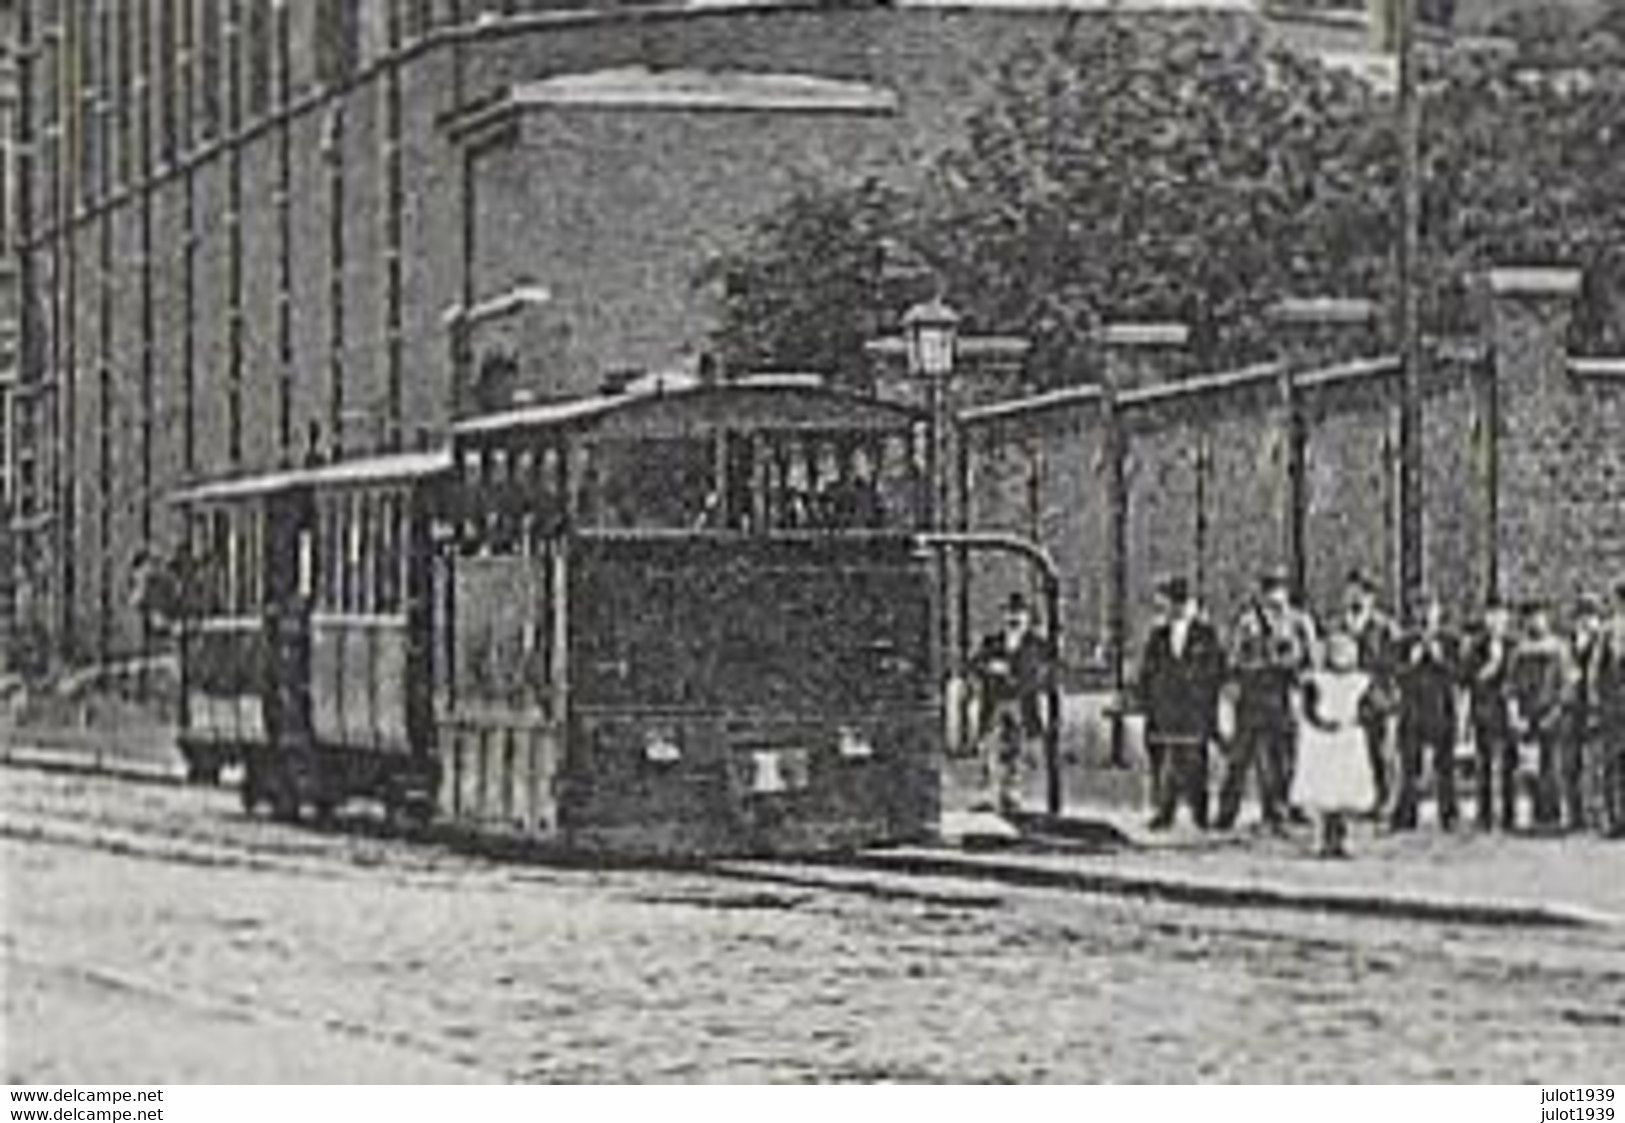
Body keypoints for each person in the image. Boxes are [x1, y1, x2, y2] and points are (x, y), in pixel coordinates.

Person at [1217, 568, 1317, 832]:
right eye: (1269, 594)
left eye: (1279, 593)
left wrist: (1296, 671)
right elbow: (1235, 659)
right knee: (1241, 757)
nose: (1274, 601)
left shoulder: (1299, 622)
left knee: (1284, 757)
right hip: (1253, 696)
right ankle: (1226, 813)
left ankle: (1281, 810)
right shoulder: (1247, 623)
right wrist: (1256, 664)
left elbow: (1311, 660)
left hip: (1284, 696)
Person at [1137, 577, 1226, 830]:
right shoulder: (1158, 635)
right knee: (1165, 759)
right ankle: (1165, 811)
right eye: (1174, 602)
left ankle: (1200, 813)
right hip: (1166, 707)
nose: (1178, 608)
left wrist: (1205, 697)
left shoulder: (1206, 635)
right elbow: (1148, 670)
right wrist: (1148, 698)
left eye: (1183, 603)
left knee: (1195, 760)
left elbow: (1216, 669)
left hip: (1194, 708)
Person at [1291, 632, 1376, 858]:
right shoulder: (1317, 681)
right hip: (1323, 742)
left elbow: (1371, 707)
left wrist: (1357, 719)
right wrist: (1322, 722)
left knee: (1345, 792)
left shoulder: (1359, 681)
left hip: (1347, 739)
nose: (1341, 658)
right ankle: (1322, 837)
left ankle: (1343, 837)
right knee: (1324, 791)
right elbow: (1307, 710)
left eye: (1346, 653)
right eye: (1337, 653)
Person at [970, 592, 1055, 816]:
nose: (1013, 618)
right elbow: (976, 664)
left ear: (1028, 617)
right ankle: (988, 793)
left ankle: (1013, 794)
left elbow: (1039, 672)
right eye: (1009, 613)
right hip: (996, 702)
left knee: (1017, 750)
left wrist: (1015, 674)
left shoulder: (1037, 644)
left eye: (1019, 614)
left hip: (1022, 702)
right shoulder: (993, 641)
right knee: (990, 746)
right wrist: (990, 668)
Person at [1391, 593, 1461, 831]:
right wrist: (1412, 661)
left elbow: (1459, 674)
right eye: (1419, 612)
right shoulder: (1404, 642)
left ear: (1438, 614)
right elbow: (1395, 674)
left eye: (1429, 611)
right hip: (1413, 711)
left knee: (1446, 766)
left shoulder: (1450, 640)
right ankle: (1406, 814)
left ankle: (1449, 814)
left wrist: (1440, 658)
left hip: (1442, 709)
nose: (1425, 618)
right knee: (1409, 766)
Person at [1508, 600, 1577, 831]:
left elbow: (1567, 686)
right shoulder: (1519, 652)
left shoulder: (1559, 649)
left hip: (1554, 715)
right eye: (1530, 617)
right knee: (1530, 768)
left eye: (1539, 616)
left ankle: (1555, 818)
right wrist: (1516, 714)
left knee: (1555, 768)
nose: (1535, 621)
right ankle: (1536, 817)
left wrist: (1556, 711)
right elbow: (1512, 687)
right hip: (1529, 718)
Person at [1339, 570, 1401, 817]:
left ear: (1372, 598)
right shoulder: (1340, 625)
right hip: (1346, 699)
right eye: (1352, 592)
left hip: (1378, 697)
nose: (1357, 598)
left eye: (1363, 593)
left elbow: (1394, 662)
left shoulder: (1384, 627)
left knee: (1381, 751)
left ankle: (1384, 800)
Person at [1463, 598, 1517, 830]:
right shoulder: (1476, 646)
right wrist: (1490, 667)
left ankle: (1508, 814)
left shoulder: (1514, 644)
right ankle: (1484, 814)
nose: (1496, 621)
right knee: (1483, 762)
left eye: (1501, 616)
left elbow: (1519, 677)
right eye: (1491, 616)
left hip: (1508, 710)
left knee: (1509, 763)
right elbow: (1468, 677)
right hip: (1484, 708)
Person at [1566, 594, 1606, 832]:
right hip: (1574, 709)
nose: (1587, 622)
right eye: (1583, 616)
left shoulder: (1603, 640)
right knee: (1572, 764)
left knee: (1597, 763)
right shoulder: (1571, 642)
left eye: (1591, 616)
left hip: (1597, 708)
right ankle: (1576, 814)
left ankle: (1597, 813)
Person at [1592, 584, 1625, 838]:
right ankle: (1613, 818)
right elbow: (1595, 671)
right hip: (1613, 706)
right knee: (1612, 763)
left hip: (1614, 704)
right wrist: (1597, 702)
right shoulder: (1606, 633)